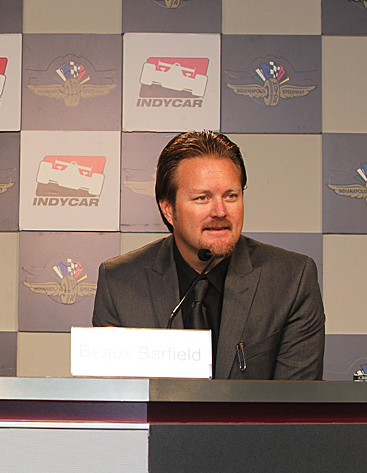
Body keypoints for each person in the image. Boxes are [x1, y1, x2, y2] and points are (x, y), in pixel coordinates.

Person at [93, 130, 325, 380]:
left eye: (230, 196)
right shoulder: (120, 283)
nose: (220, 211)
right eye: (202, 198)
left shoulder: (291, 280)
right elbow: (114, 405)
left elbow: (295, 407)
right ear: (168, 209)